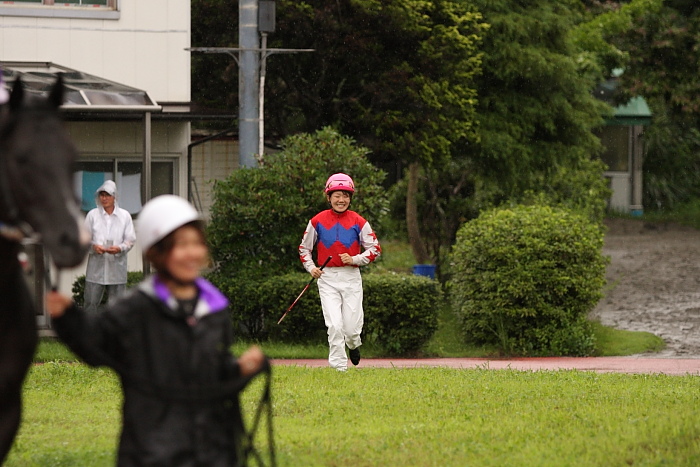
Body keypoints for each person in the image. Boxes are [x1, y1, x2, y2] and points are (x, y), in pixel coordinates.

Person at [46, 195, 267, 466]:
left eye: (196, 243)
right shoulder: (136, 308)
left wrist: (239, 369)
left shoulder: (214, 307)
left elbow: (213, 374)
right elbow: (95, 346)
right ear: (156, 252)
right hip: (153, 449)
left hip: (212, 449)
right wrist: (68, 318)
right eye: (180, 245)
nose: (192, 253)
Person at [298, 173, 381, 372]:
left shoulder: (359, 221)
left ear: (350, 198)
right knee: (334, 325)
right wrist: (311, 268)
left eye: (345, 195)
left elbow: (375, 249)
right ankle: (338, 368)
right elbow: (304, 249)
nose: (341, 200)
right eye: (336, 195)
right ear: (329, 197)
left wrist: (354, 259)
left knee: (351, 329)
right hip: (327, 278)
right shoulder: (317, 221)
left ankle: (354, 344)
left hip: (351, 277)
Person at [83, 180, 136, 312]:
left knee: (117, 307)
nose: (104, 198)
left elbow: (130, 239)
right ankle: (89, 331)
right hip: (96, 268)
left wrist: (120, 248)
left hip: (116, 269)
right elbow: (84, 238)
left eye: (107, 195)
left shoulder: (124, 216)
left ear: (115, 197)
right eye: (102, 195)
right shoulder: (92, 215)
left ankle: (115, 332)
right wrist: (94, 247)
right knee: (90, 303)